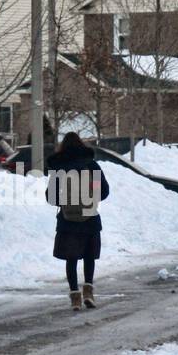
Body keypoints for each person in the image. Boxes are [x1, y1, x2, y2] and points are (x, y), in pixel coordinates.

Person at [45, 132, 109, 311]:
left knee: (71, 259)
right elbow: (103, 191)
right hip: (90, 218)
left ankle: (75, 296)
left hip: (68, 221)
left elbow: (51, 197)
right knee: (89, 257)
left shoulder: (60, 167)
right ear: (81, 145)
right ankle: (88, 291)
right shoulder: (92, 165)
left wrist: (66, 202)